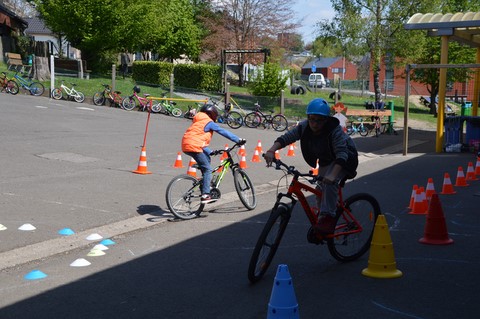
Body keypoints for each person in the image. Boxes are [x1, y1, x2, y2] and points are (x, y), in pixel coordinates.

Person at [264, 98, 358, 234]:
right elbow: (287, 137)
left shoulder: (334, 130)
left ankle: (329, 217)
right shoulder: (304, 126)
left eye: (319, 120)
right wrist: (272, 150)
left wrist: (332, 175)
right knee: (320, 190)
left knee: (330, 184)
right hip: (327, 159)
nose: (314, 123)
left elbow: (342, 154)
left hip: (345, 159)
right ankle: (324, 218)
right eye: (311, 119)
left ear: (326, 119)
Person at [182, 103, 245, 204]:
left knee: (207, 159)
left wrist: (210, 151)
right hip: (194, 146)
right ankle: (206, 194)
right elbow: (222, 131)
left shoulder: (198, 121)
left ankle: (205, 184)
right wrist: (238, 140)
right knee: (208, 170)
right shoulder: (208, 122)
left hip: (187, 145)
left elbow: (198, 140)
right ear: (212, 113)